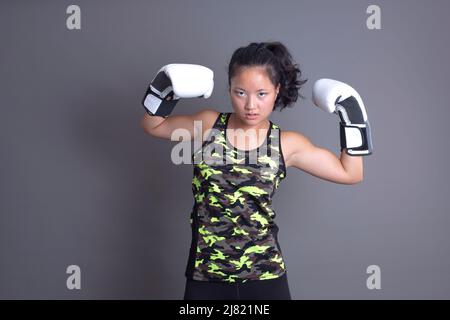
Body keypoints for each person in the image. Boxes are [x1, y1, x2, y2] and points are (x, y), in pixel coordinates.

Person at [140, 41, 372, 300]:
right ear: (229, 89)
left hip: (266, 275)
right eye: (241, 92)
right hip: (206, 275)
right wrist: (162, 89)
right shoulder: (207, 125)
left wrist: (352, 117)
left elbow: (351, 173)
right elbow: (153, 125)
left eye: (261, 93)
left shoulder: (287, 143)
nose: (251, 105)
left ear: (276, 91)